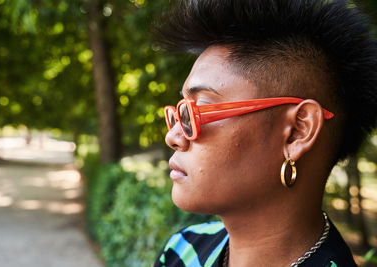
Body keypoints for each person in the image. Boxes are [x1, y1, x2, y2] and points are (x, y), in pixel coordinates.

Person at [153, 0, 377, 266]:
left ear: (297, 132)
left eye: (198, 110)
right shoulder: (183, 250)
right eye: (179, 113)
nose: (174, 136)